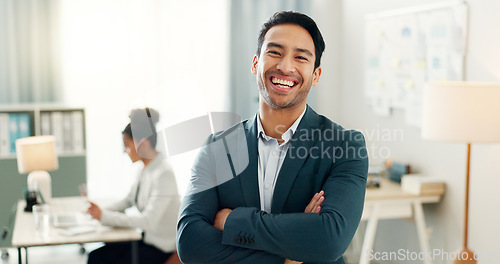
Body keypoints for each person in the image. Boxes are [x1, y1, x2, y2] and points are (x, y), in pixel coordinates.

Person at [177, 11, 368, 264]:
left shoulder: (345, 146)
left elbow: (330, 240)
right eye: (275, 52)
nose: (286, 66)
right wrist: (289, 256)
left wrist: (232, 221)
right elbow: (191, 243)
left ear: (316, 75)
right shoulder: (217, 148)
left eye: (300, 57)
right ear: (255, 63)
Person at [87, 108, 181, 264]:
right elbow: (128, 200)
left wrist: (104, 216)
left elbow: (147, 221)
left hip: (160, 249)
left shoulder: (164, 173)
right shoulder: (145, 169)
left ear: (142, 143)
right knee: (96, 256)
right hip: (146, 241)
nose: (125, 151)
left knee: (99, 259)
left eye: (127, 145)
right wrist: (99, 211)